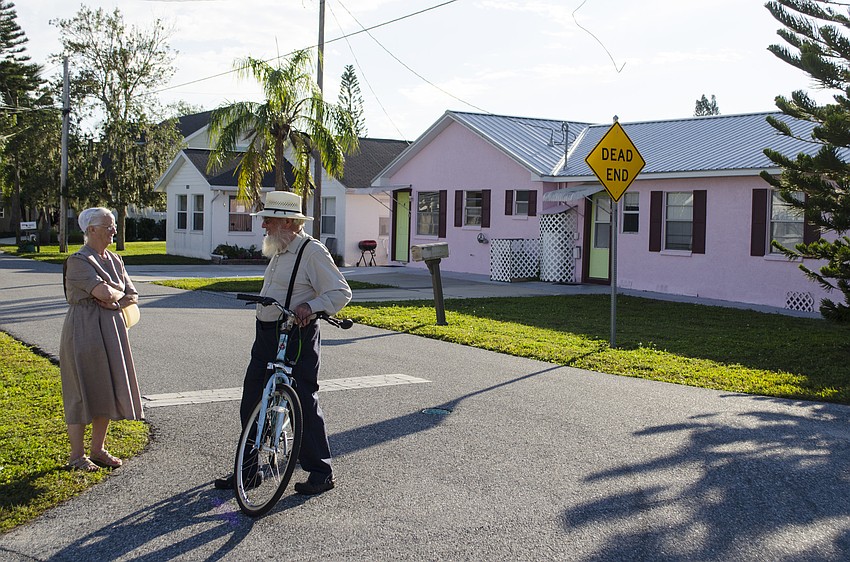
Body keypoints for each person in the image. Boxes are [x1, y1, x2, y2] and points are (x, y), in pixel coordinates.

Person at [214, 191, 351, 495]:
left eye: (269, 219)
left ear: (289, 221)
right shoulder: (280, 248)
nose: (263, 225)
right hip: (267, 334)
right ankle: (248, 471)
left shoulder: (311, 251)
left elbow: (341, 292)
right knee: (252, 399)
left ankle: (321, 472)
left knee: (302, 399)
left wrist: (311, 307)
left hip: (296, 334)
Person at [59, 207, 143, 472]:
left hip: (113, 330)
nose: (114, 230)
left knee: (106, 388)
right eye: (108, 226)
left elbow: (132, 294)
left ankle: (98, 450)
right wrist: (112, 295)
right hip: (84, 330)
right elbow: (103, 291)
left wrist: (112, 298)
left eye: (114, 225)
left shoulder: (115, 260)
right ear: (91, 230)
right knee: (81, 390)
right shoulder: (78, 260)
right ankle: (76, 455)